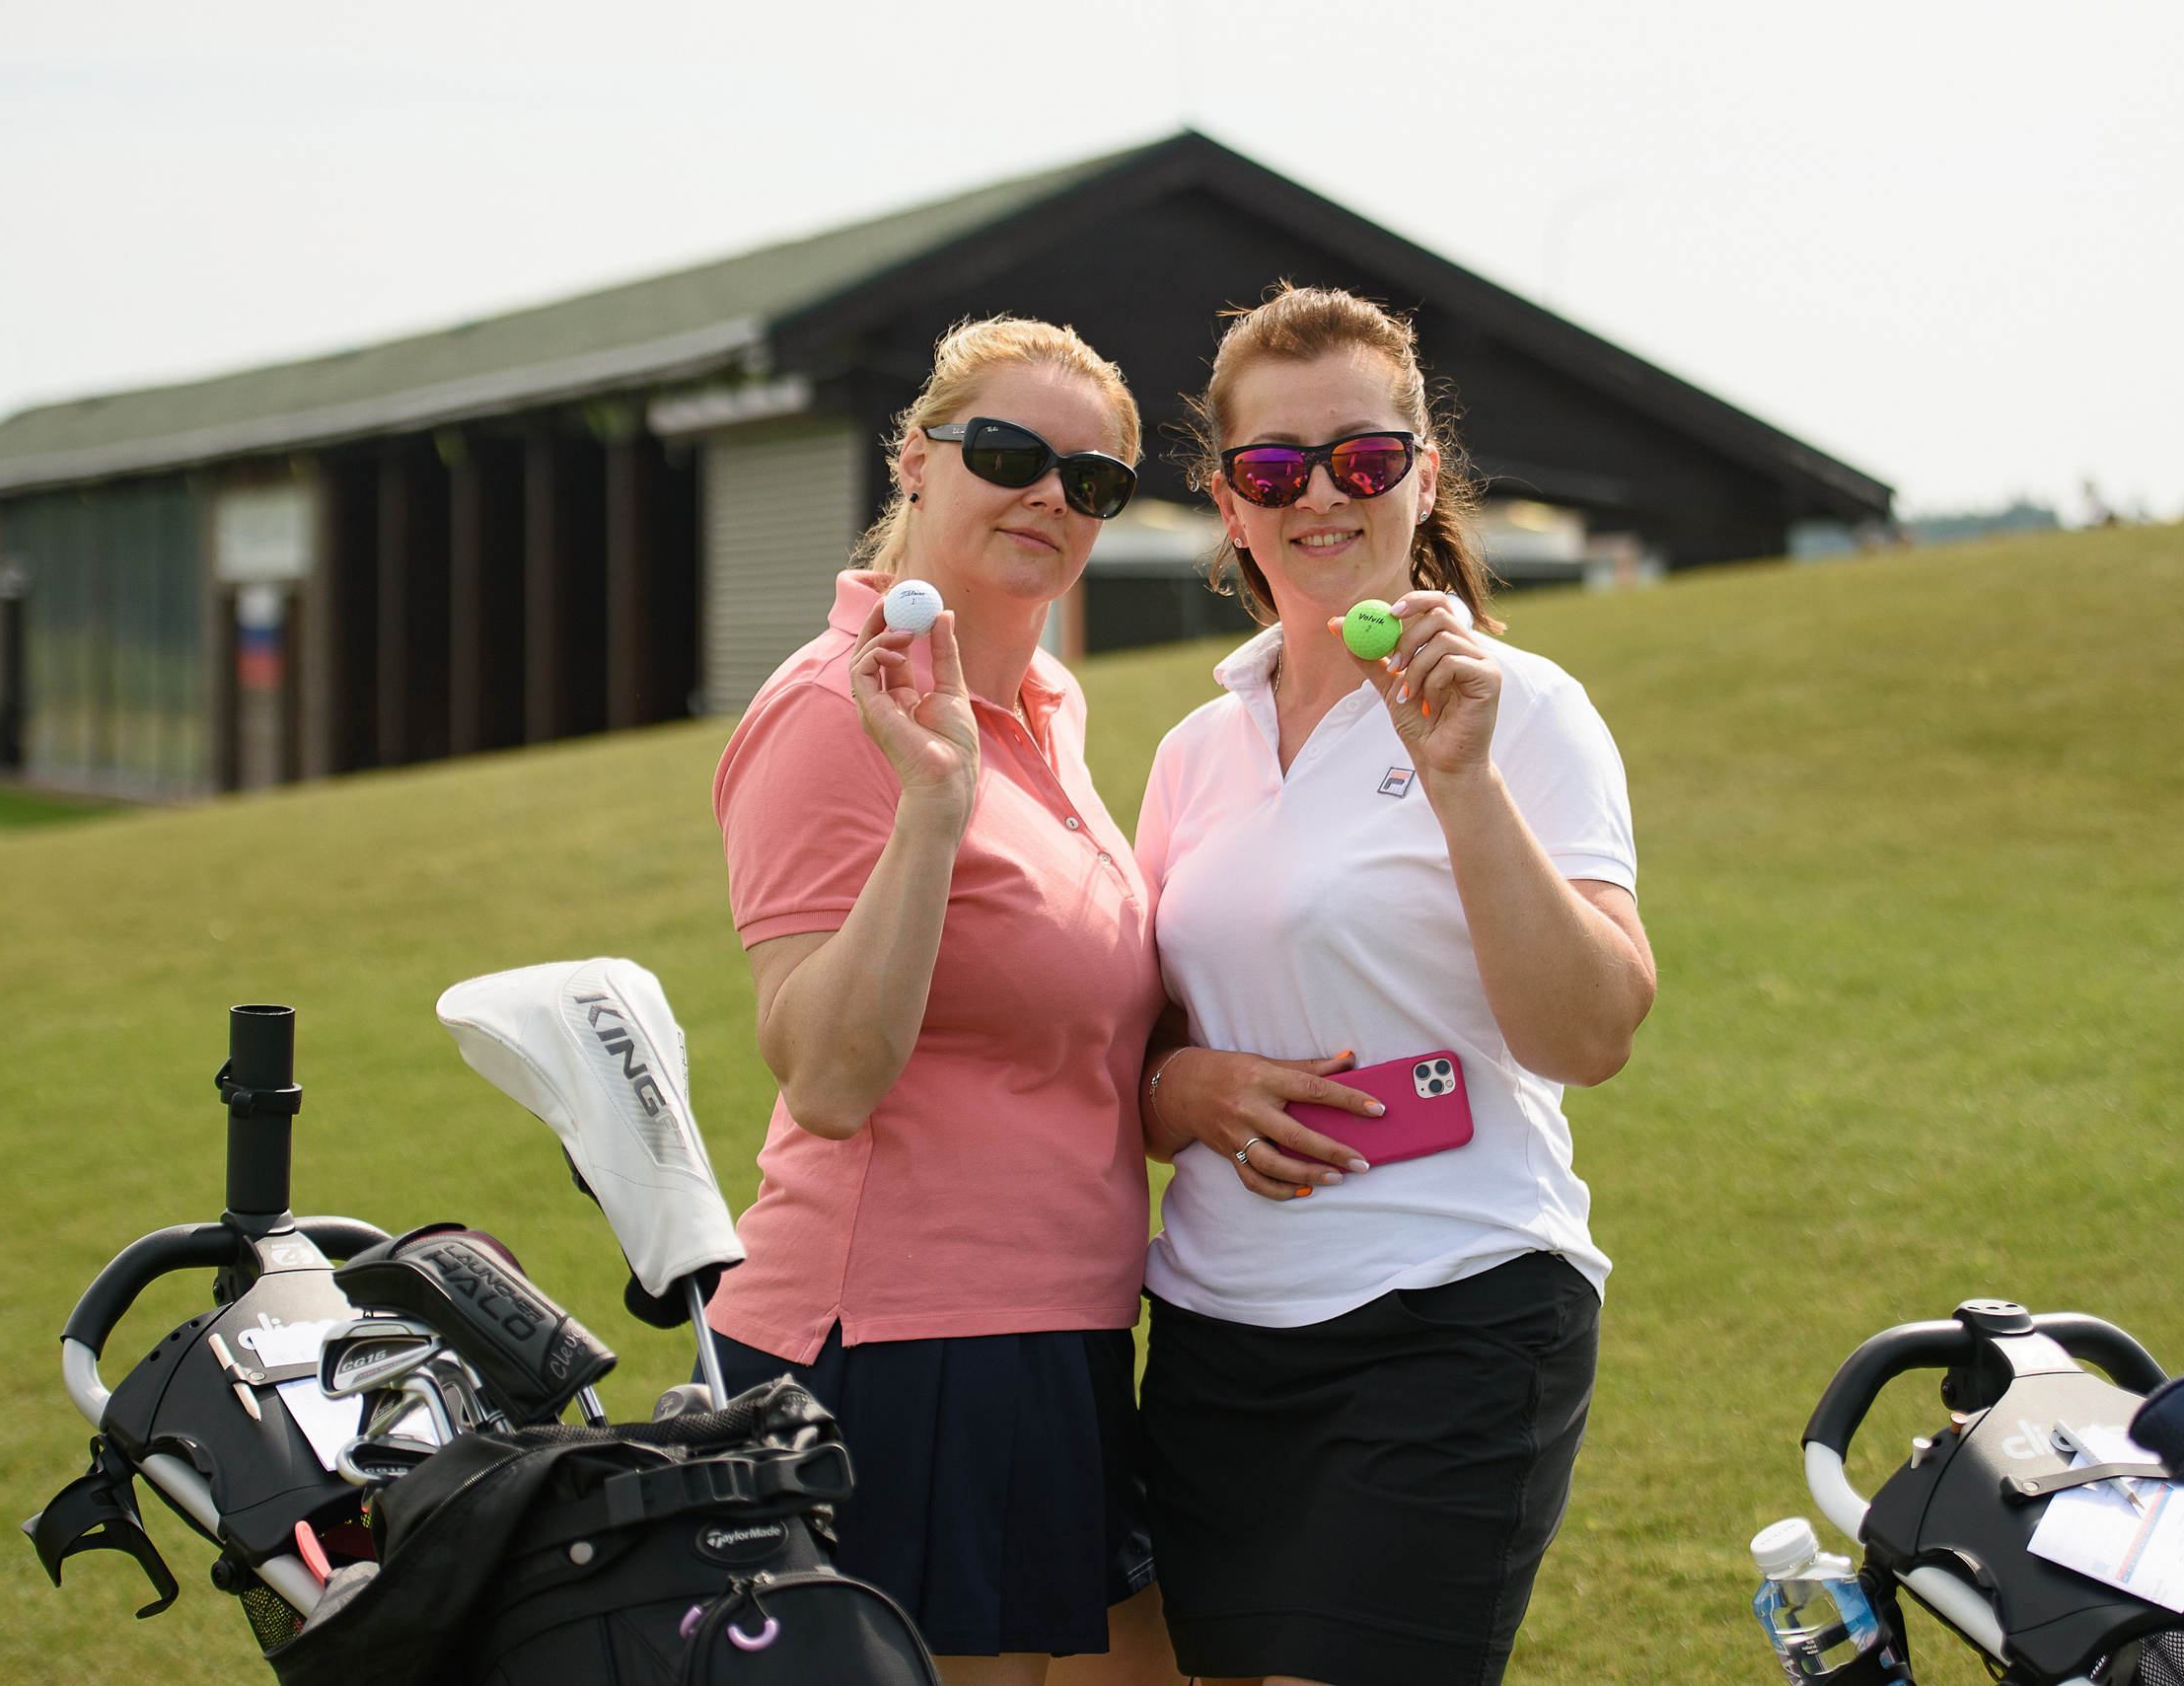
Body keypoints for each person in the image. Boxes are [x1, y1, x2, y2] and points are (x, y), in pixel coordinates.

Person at [1134, 286, 1657, 1686]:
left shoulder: (1524, 707)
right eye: (1273, 468)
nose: (1322, 496)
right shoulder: (1196, 748)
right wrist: (1187, 1085)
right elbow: (1137, 1055)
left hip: (1452, 1312)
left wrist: (1463, 780)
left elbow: (1593, 1029)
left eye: (1364, 459)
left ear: (1423, 475)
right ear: (1230, 504)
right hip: (1212, 1335)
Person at [707, 317, 1178, 1686]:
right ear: (916, 459)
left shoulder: (1050, 706)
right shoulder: (829, 709)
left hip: (1062, 1333)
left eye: (1092, 481)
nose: (1051, 495)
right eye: (1011, 453)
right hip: (902, 1350)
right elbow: (829, 1074)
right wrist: (932, 805)